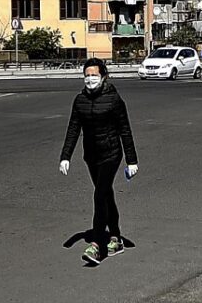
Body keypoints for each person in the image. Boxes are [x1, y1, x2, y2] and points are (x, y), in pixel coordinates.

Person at [59, 57, 138, 265]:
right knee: (106, 195)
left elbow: (125, 130)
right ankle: (116, 237)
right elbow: (73, 129)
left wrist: (132, 160)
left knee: (99, 194)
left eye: (94, 75)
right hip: (91, 156)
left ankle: (97, 246)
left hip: (112, 153)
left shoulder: (114, 100)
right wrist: (65, 156)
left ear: (103, 76)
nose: (90, 79)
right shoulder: (80, 101)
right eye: (87, 75)